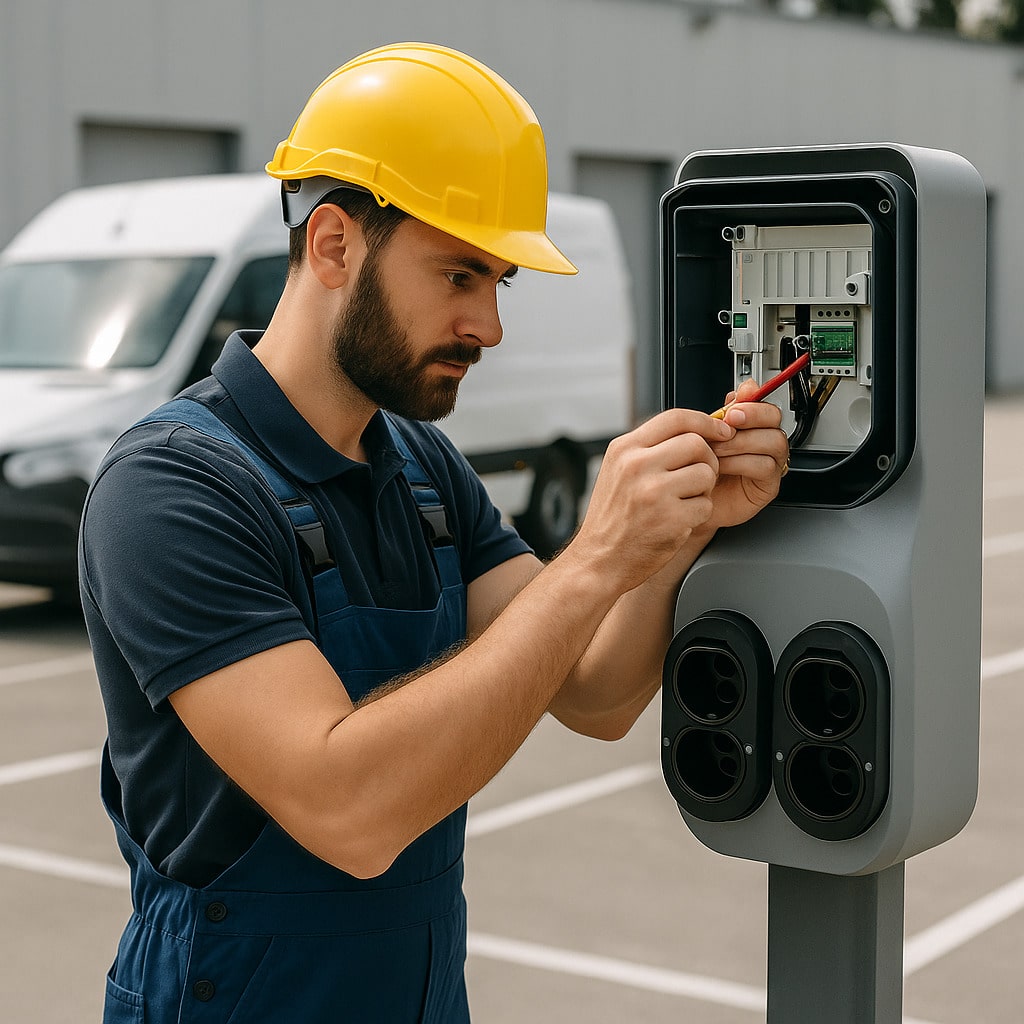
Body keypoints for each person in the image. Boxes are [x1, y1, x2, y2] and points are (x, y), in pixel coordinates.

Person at [80, 42, 788, 1024]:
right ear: (333, 244)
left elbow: (598, 691)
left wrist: (672, 539)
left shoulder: (419, 468)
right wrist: (590, 557)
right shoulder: (171, 487)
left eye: (498, 280)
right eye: (459, 273)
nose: (488, 324)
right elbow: (348, 809)